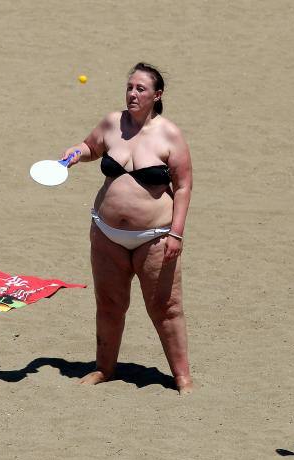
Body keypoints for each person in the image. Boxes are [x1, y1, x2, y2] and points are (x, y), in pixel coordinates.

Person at [61, 62, 194, 394]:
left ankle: (182, 377)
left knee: (166, 308)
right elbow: (92, 147)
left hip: (155, 237)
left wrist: (176, 232)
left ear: (157, 95)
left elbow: (183, 186)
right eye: (130, 87)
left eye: (141, 89)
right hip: (107, 233)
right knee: (108, 303)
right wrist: (76, 152)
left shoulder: (169, 135)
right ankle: (104, 369)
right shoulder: (112, 123)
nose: (132, 94)